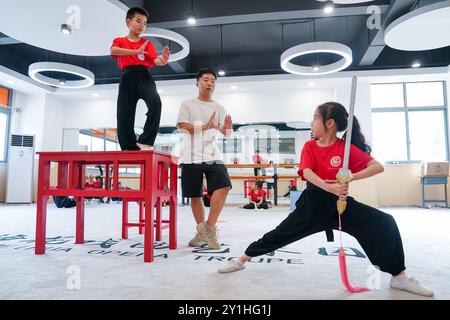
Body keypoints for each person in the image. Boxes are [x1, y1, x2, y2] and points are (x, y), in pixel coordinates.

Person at [218, 101, 433, 297]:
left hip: (341, 206)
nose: (311, 122)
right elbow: (307, 172)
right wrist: (329, 187)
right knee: (279, 234)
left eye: (314, 118)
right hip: (313, 204)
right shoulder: (310, 146)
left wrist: (350, 176)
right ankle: (242, 259)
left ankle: (400, 277)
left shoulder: (345, 149)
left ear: (329, 123)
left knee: (384, 222)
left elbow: (377, 166)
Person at [176, 68, 233, 250]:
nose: (210, 83)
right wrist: (205, 126)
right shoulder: (187, 104)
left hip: (212, 154)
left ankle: (208, 229)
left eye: (213, 81)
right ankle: (203, 234)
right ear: (197, 83)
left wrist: (227, 129)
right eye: (206, 80)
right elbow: (182, 126)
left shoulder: (219, 107)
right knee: (195, 195)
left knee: (224, 186)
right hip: (190, 156)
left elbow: (227, 133)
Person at [111, 7, 170, 151]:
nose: (142, 25)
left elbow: (154, 60)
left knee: (156, 102)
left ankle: (145, 141)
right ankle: (128, 146)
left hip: (144, 76)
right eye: (138, 21)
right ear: (128, 22)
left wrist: (162, 60)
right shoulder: (119, 40)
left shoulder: (147, 44)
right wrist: (135, 51)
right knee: (124, 112)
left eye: (144, 23)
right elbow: (113, 51)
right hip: (127, 76)